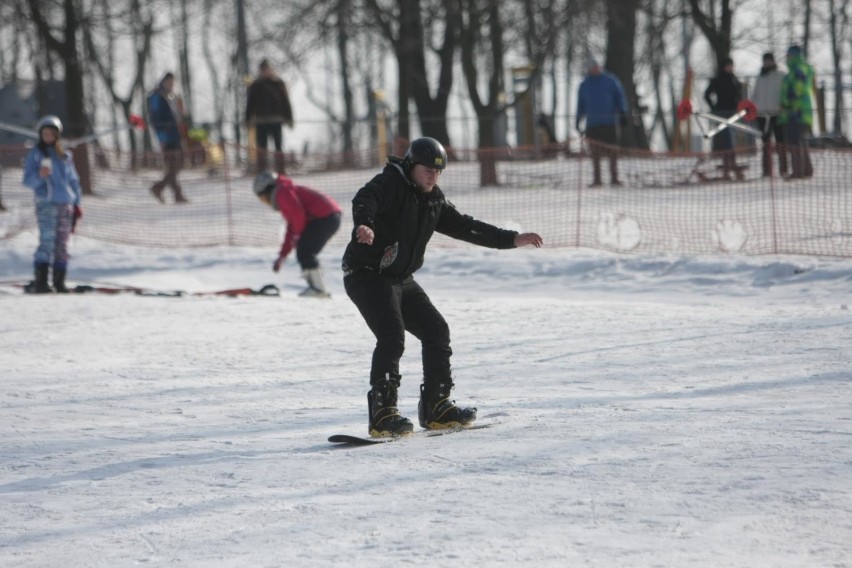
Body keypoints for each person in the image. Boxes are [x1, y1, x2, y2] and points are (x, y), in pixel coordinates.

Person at [341, 137, 544, 438]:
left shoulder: (433, 200)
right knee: (392, 337)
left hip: (400, 277)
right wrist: (365, 224)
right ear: (411, 165)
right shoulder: (391, 183)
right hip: (366, 274)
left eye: (438, 171)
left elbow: (466, 226)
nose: (433, 176)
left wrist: (511, 239)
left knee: (436, 330)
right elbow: (365, 198)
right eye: (427, 170)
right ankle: (382, 412)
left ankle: (437, 406)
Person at [253, 171, 341, 297]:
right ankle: (317, 287)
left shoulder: (282, 192)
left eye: (264, 197)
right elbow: (292, 226)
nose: (266, 202)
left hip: (325, 216)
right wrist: (283, 255)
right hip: (328, 216)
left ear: (268, 189)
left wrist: (298, 235)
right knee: (304, 250)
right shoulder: (283, 192)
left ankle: (318, 289)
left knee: (305, 251)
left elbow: (297, 215)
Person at [21, 115, 82, 294]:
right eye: (45, 134)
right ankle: (41, 281)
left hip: (65, 203)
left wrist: (77, 202)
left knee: (62, 243)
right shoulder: (36, 154)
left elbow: (73, 180)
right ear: (41, 135)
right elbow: (27, 181)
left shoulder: (64, 155)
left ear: (57, 135)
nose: (49, 137)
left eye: (52, 134)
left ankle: (59, 282)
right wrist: (40, 175)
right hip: (46, 203)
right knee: (47, 241)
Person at [576, 57, 628, 187]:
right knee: (595, 153)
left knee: (612, 151)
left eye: (596, 66)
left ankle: (614, 178)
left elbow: (619, 97)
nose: (595, 69)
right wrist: (578, 119)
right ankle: (597, 179)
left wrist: (622, 112)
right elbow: (580, 104)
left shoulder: (610, 81)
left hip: (609, 122)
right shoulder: (585, 84)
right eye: (592, 67)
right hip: (592, 124)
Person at [246, 59, 294, 174]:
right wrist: (248, 119)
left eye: (267, 69)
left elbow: (286, 101)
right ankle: (262, 172)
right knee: (262, 149)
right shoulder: (256, 85)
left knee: (278, 148)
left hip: (276, 121)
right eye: (263, 70)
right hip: (261, 122)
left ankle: (281, 171)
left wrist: (289, 117)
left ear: (271, 69)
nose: (265, 72)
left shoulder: (279, 83)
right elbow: (250, 104)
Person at [148, 72, 188, 204]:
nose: (171, 85)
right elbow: (156, 119)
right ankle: (173, 193)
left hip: (176, 135)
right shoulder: (157, 96)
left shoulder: (172, 97)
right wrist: (162, 137)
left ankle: (162, 189)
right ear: (164, 82)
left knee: (177, 165)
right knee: (173, 166)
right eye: (169, 82)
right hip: (166, 137)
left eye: (173, 83)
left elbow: (177, 115)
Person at [704, 57, 743, 180]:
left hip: (733, 113)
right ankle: (729, 168)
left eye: (731, 65)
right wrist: (713, 107)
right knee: (727, 140)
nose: (730, 68)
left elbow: (739, 94)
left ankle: (731, 167)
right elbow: (706, 95)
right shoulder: (717, 80)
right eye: (728, 65)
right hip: (721, 113)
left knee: (731, 140)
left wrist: (738, 105)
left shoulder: (735, 80)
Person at [779, 45, 815, 179]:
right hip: (795, 111)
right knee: (799, 141)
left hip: (798, 111)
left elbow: (798, 89)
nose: (787, 58)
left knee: (795, 141)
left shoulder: (799, 70)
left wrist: (786, 104)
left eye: (789, 55)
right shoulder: (793, 71)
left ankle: (798, 171)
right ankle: (806, 169)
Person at [752, 53, 788, 177]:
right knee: (765, 143)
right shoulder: (760, 77)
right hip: (762, 114)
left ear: (773, 61)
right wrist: (754, 109)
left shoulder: (781, 76)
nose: (766, 63)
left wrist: (784, 107)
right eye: (765, 61)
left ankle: (783, 169)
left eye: (768, 61)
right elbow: (755, 94)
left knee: (780, 142)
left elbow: (786, 93)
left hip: (777, 113)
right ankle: (767, 171)